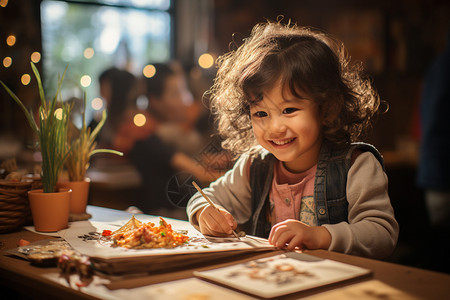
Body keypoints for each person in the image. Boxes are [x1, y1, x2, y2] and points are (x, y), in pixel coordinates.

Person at [186, 21, 399, 259]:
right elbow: (203, 197)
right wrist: (204, 212)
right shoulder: (254, 166)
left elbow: (382, 234)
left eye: (289, 110)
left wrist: (320, 237)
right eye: (261, 114)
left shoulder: (356, 165)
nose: (275, 127)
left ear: (327, 108)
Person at [114, 62, 222, 218]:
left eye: (184, 91)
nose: (186, 100)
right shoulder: (147, 136)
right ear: (155, 100)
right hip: (164, 219)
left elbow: (194, 163)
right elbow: (198, 172)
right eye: (176, 94)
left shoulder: (169, 133)